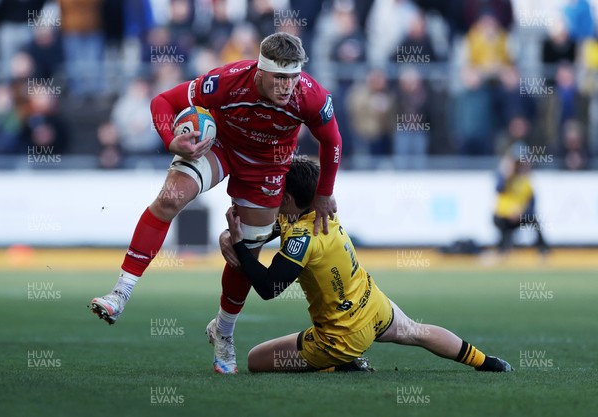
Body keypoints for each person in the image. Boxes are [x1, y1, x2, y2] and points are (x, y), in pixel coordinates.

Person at [89, 32, 342, 375]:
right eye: (279, 78)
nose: (287, 86)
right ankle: (119, 294)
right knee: (170, 198)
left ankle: (222, 332)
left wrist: (324, 192)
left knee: (246, 253)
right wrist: (171, 141)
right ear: (261, 71)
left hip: (267, 166)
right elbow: (162, 102)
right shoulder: (225, 82)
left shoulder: (311, 96)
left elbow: (333, 141)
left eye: (293, 77)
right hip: (219, 148)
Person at [220, 158, 513, 373]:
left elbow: (269, 287)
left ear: (288, 199)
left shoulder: (303, 238)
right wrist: (232, 235)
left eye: (279, 192)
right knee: (415, 330)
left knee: (255, 360)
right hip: (373, 304)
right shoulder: (323, 210)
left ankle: (339, 363)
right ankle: (488, 362)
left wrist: (239, 246)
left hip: (341, 336)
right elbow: (271, 227)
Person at [493, 146, 549, 254]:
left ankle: (543, 250)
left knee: (534, 220)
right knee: (502, 225)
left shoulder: (526, 180)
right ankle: (503, 248)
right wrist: (506, 173)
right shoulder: (505, 177)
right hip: (503, 215)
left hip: (519, 216)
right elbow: (499, 189)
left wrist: (522, 214)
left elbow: (532, 203)